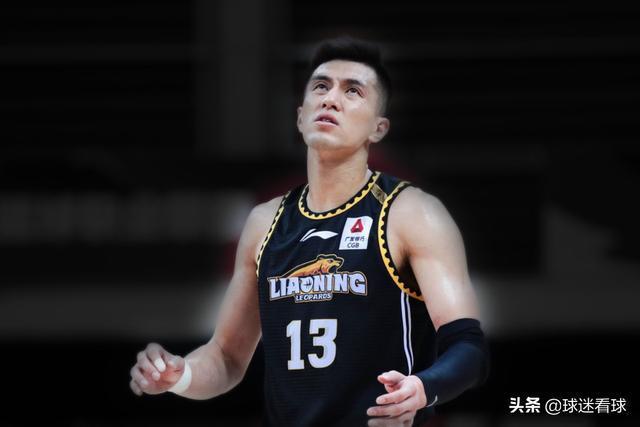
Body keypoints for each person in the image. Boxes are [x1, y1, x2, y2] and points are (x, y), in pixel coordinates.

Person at [129, 37, 489, 426]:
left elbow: (468, 347)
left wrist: (423, 387)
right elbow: (227, 357)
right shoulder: (265, 222)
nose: (331, 99)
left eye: (353, 91)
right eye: (321, 86)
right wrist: (179, 375)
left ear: (378, 128)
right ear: (301, 117)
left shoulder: (411, 212)